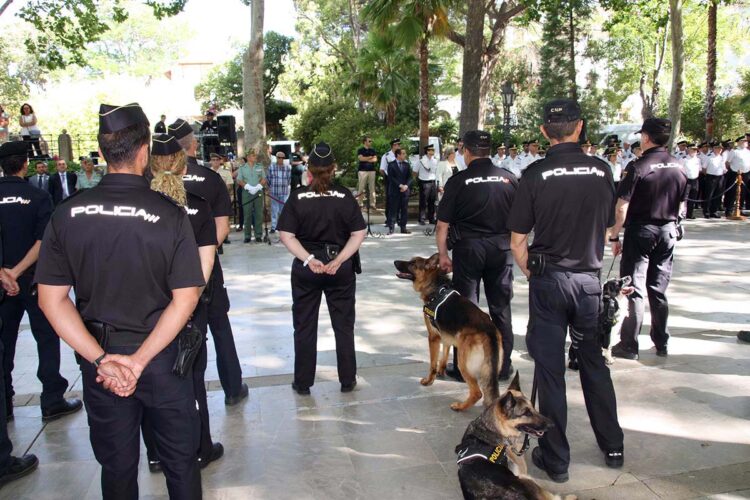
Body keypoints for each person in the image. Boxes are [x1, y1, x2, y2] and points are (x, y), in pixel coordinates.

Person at [35, 103, 205, 499]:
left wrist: (101, 360)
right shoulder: (169, 215)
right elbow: (186, 299)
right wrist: (141, 360)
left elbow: (51, 301)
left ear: (102, 151)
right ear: (144, 151)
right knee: (181, 465)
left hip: (103, 366)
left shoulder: (67, 214)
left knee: (117, 468)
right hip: (163, 362)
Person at [508, 99, 624, 483]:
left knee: (551, 371)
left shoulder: (535, 174)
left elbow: (517, 240)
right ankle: (613, 445)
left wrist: (529, 272)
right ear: (580, 128)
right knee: (593, 363)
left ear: (544, 132)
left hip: (549, 281)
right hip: (588, 282)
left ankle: (556, 461)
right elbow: (610, 226)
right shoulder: (601, 170)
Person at [143, 133, 223, 473]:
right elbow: (204, 269)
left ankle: (157, 453)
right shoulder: (197, 206)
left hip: (145, 309)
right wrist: (188, 309)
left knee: (146, 379)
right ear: (182, 164)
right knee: (190, 377)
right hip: (188, 308)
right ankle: (199, 448)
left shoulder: (138, 205)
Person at [0, 140, 83, 422]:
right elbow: (43, 241)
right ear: (25, 165)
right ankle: (51, 399)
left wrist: (5, 273)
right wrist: (19, 270)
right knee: (46, 338)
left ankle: (5, 402)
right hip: (33, 279)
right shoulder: (37, 197)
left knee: (4, 341)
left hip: (2, 283)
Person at [168, 118, 248, 406]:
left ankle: (186, 391)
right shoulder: (209, 178)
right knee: (219, 325)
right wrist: (203, 253)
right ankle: (232, 387)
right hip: (207, 265)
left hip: (168, 269)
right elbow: (222, 227)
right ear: (192, 145)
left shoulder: (154, 180)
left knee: (174, 327)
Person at [277, 142, 366, 395]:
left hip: (308, 269)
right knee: (343, 324)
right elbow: (358, 233)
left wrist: (307, 259)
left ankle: (303, 382)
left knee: (304, 325)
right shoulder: (345, 196)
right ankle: (347, 379)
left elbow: (286, 235)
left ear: (310, 169)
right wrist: (339, 260)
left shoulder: (298, 196)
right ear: (333, 168)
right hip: (340, 268)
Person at [436, 130, 517, 382]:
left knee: (467, 309)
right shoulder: (509, 179)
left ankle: (466, 369)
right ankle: (502, 366)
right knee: (501, 308)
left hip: (469, 249)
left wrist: (442, 254)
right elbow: (522, 222)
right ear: (489, 150)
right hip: (502, 249)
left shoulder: (459, 181)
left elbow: (442, 226)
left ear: (466, 152)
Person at [609, 118, 688, 361]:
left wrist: (614, 236)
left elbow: (622, 207)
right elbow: (683, 203)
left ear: (646, 138)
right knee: (658, 288)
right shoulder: (679, 166)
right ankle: (661, 341)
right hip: (667, 231)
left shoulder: (639, 167)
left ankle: (629, 344)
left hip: (642, 231)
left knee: (634, 287)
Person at [236, 148, 267, 243]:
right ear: (248, 157)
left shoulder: (259, 166)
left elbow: (264, 178)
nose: (255, 157)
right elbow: (239, 180)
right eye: (253, 156)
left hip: (258, 192)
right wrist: (247, 187)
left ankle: (258, 235)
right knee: (247, 214)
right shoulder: (242, 167)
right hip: (247, 192)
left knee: (258, 214)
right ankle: (247, 235)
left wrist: (258, 186)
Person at [386, 148, 413, 235]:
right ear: (398, 155)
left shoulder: (406, 165)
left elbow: (410, 177)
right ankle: (391, 228)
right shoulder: (391, 165)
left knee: (404, 209)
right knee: (393, 210)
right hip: (394, 190)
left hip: (405, 191)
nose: (405, 155)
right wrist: (400, 185)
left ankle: (403, 227)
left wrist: (406, 186)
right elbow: (391, 178)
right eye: (403, 153)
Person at [724, 137, 750, 214]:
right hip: (734, 173)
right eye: (744, 141)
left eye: (746, 141)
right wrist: (732, 170)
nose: (746, 142)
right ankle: (729, 209)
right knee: (732, 192)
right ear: (739, 142)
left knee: (742, 192)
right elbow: (727, 163)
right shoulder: (734, 151)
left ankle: (740, 209)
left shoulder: (748, 152)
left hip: (745, 173)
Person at [268, 151, 291, 232]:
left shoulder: (287, 168)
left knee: (283, 210)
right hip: (274, 191)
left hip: (284, 192)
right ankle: (274, 227)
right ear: (276, 158)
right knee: (274, 210)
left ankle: (282, 226)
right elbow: (269, 179)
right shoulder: (271, 167)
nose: (281, 159)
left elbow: (289, 180)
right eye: (279, 157)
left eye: (282, 157)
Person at [379, 138, 400, 227]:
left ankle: (399, 219)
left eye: (399, 145)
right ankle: (389, 220)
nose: (399, 146)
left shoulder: (400, 155)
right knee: (390, 199)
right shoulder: (386, 156)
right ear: (393, 145)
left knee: (400, 199)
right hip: (390, 180)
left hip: (400, 179)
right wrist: (388, 177)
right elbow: (382, 169)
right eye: (398, 145)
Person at [416, 144, 438, 225]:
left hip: (432, 181)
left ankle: (431, 218)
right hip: (424, 182)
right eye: (431, 150)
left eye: (433, 150)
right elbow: (415, 171)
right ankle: (421, 219)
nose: (433, 152)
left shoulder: (435, 160)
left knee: (432, 201)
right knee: (423, 202)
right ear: (427, 151)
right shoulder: (421, 160)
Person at [703, 142, 726, 218]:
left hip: (720, 177)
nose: (719, 150)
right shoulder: (709, 157)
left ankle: (714, 211)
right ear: (714, 149)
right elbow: (704, 168)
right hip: (711, 177)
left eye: (720, 149)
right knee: (709, 195)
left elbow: (723, 168)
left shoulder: (721, 157)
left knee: (718, 195)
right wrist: (708, 176)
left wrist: (724, 170)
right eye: (718, 148)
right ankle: (706, 211)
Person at [357, 137, 378, 208]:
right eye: (369, 141)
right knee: (361, 187)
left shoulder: (373, 150)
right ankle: (360, 203)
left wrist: (366, 159)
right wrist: (369, 157)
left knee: (372, 188)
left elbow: (375, 159)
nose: (371, 142)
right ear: (365, 142)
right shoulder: (360, 150)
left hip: (372, 171)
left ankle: (372, 204)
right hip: (362, 171)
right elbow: (360, 158)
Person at [682, 144, 702, 219]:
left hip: (695, 180)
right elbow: (680, 170)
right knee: (684, 198)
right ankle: (682, 213)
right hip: (686, 180)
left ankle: (690, 214)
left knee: (693, 198)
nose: (694, 151)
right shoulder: (684, 159)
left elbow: (699, 170)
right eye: (693, 149)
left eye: (695, 150)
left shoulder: (698, 160)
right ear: (689, 150)